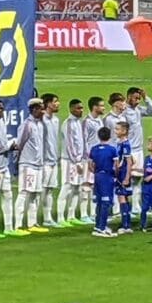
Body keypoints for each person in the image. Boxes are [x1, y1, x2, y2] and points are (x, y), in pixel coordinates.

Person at [0, 99, 24, 238]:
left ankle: (8, 227)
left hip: (4, 165)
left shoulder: (1, 122)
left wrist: (8, 146)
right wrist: (9, 146)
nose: (0, 111)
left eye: (2, 109)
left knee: (8, 195)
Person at [13, 98, 49, 234]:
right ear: (34, 109)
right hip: (27, 164)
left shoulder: (40, 124)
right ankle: (17, 225)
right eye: (41, 109)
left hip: (38, 164)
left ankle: (32, 223)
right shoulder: (26, 125)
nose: (43, 111)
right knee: (24, 193)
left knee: (35, 194)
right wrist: (17, 162)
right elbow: (19, 145)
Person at [124, 87, 152, 215]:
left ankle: (136, 206)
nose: (137, 101)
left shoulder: (138, 109)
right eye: (135, 98)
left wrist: (145, 98)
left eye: (139, 99)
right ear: (129, 97)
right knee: (126, 179)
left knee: (137, 179)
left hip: (138, 150)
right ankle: (121, 208)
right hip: (129, 150)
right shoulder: (124, 111)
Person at [57, 99, 88, 227]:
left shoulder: (78, 123)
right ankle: (60, 218)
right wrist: (76, 161)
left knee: (77, 188)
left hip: (78, 160)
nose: (81, 110)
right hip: (69, 161)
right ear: (71, 109)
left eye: (82, 108)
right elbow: (70, 145)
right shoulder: (69, 124)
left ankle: (71, 215)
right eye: (78, 108)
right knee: (67, 187)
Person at [88, 126, 119, 238]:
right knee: (106, 203)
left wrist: (96, 172)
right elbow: (116, 166)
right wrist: (115, 175)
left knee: (99, 202)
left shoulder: (94, 149)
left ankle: (98, 225)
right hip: (107, 177)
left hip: (97, 176)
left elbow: (90, 165)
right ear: (110, 136)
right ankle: (102, 228)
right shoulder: (112, 150)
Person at [81, 96, 106, 224]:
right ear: (95, 107)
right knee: (86, 186)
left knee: (96, 187)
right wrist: (89, 158)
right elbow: (84, 141)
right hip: (89, 159)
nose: (103, 108)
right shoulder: (87, 122)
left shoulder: (100, 121)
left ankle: (93, 213)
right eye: (101, 105)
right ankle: (83, 214)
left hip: (99, 158)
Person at [41, 93, 61, 227]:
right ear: (48, 104)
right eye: (55, 101)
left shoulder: (56, 120)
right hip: (44, 161)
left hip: (53, 160)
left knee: (50, 190)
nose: (58, 104)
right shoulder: (42, 120)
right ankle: (35, 219)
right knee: (41, 190)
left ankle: (47, 218)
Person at [114, 122, 133, 234]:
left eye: (117, 129)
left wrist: (127, 177)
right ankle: (127, 224)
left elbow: (129, 162)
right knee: (124, 197)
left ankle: (125, 226)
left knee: (122, 197)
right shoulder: (119, 143)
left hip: (123, 174)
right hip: (120, 173)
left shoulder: (125, 144)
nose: (115, 131)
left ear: (124, 131)